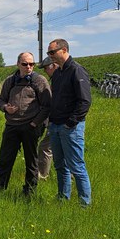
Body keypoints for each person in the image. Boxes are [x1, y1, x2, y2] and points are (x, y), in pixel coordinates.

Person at [0, 52, 51, 195]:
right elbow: (1, 101)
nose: (29, 67)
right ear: (18, 64)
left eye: (32, 64)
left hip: (30, 126)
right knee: (5, 159)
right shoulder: (10, 81)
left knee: (31, 161)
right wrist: (6, 108)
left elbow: (47, 105)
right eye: (25, 64)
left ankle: (29, 191)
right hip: (12, 125)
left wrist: (34, 123)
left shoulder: (39, 81)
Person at [46, 38, 92, 207]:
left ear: (63, 50)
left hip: (70, 127)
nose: (50, 56)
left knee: (76, 166)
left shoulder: (77, 70)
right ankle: (63, 198)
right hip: (56, 125)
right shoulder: (58, 73)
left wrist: (71, 123)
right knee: (60, 166)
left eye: (52, 52)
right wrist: (52, 121)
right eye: (48, 53)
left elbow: (85, 101)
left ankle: (84, 204)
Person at [36, 56, 58, 180]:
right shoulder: (57, 79)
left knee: (45, 147)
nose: (44, 71)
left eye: (45, 68)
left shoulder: (58, 79)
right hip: (57, 120)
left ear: (53, 66)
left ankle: (42, 175)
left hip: (59, 121)